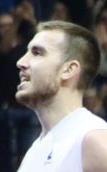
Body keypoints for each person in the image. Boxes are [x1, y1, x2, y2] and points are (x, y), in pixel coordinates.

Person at [15, 20, 107, 170]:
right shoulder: (33, 152)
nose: (21, 62)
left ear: (68, 70)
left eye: (37, 53)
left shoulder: (92, 139)